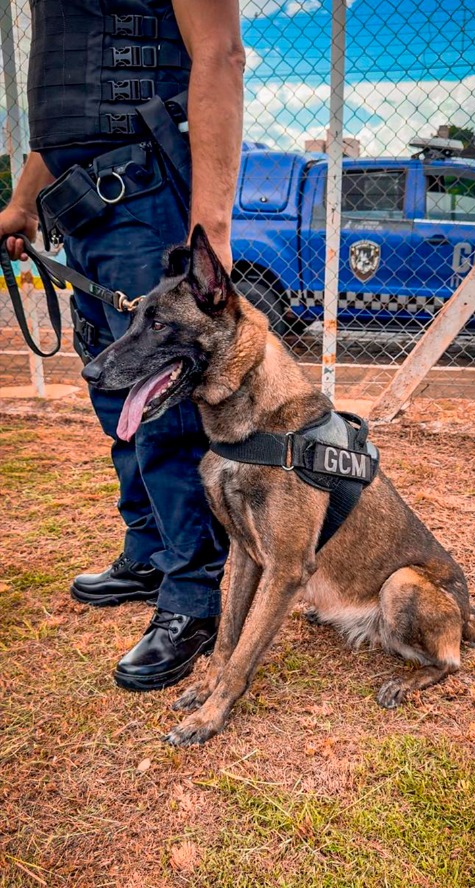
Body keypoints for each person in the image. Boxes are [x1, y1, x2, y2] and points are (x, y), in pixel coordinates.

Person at [1, 0, 244, 691]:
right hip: (84, 210)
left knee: (166, 416)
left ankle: (194, 599)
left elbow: (220, 55)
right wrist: (23, 204)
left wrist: (211, 234)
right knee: (119, 400)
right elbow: (71, 117)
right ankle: (148, 551)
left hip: (145, 198)